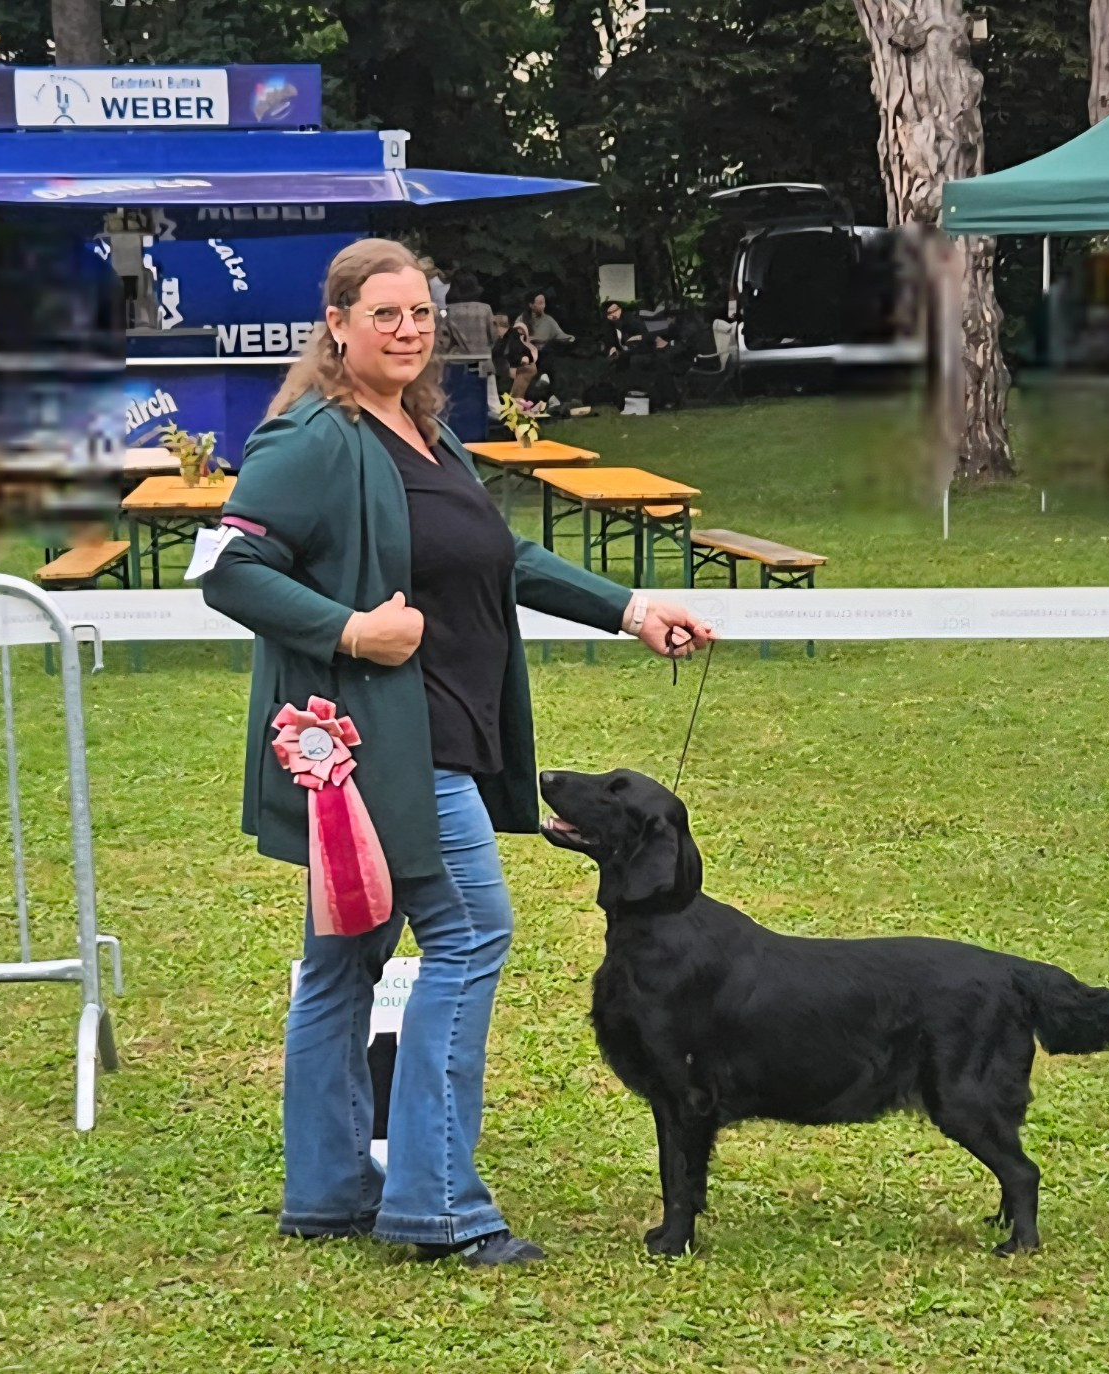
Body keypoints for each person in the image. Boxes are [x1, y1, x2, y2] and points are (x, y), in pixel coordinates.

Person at [200, 238, 713, 1268]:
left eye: (420, 313)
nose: (405, 330)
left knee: (343, 962)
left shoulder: (427, 434)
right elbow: (229, 569)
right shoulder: (313, 438)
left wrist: (627, 608)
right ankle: (437, 1207)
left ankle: (330, 1192)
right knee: (473, 934)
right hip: (385, 751)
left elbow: (500, 557)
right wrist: (351, 632)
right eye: (382, 313)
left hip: (440, 736)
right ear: (336, 325)